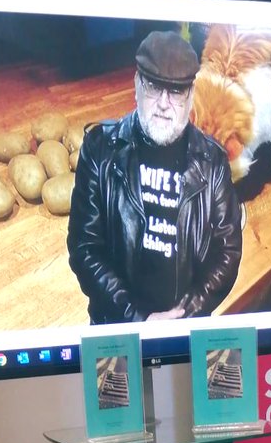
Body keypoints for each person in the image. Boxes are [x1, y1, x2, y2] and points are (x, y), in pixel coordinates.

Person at [67, 30, 243, 325]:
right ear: (136, 85)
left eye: (175, 91)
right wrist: (137, 318)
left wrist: (184, 316)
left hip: (187, 326)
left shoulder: (212, 162)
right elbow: (85, 248)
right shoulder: (100, 150)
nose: (163, 103)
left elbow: (227, 253)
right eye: (153, 86)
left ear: (190, 95)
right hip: (116, 324)